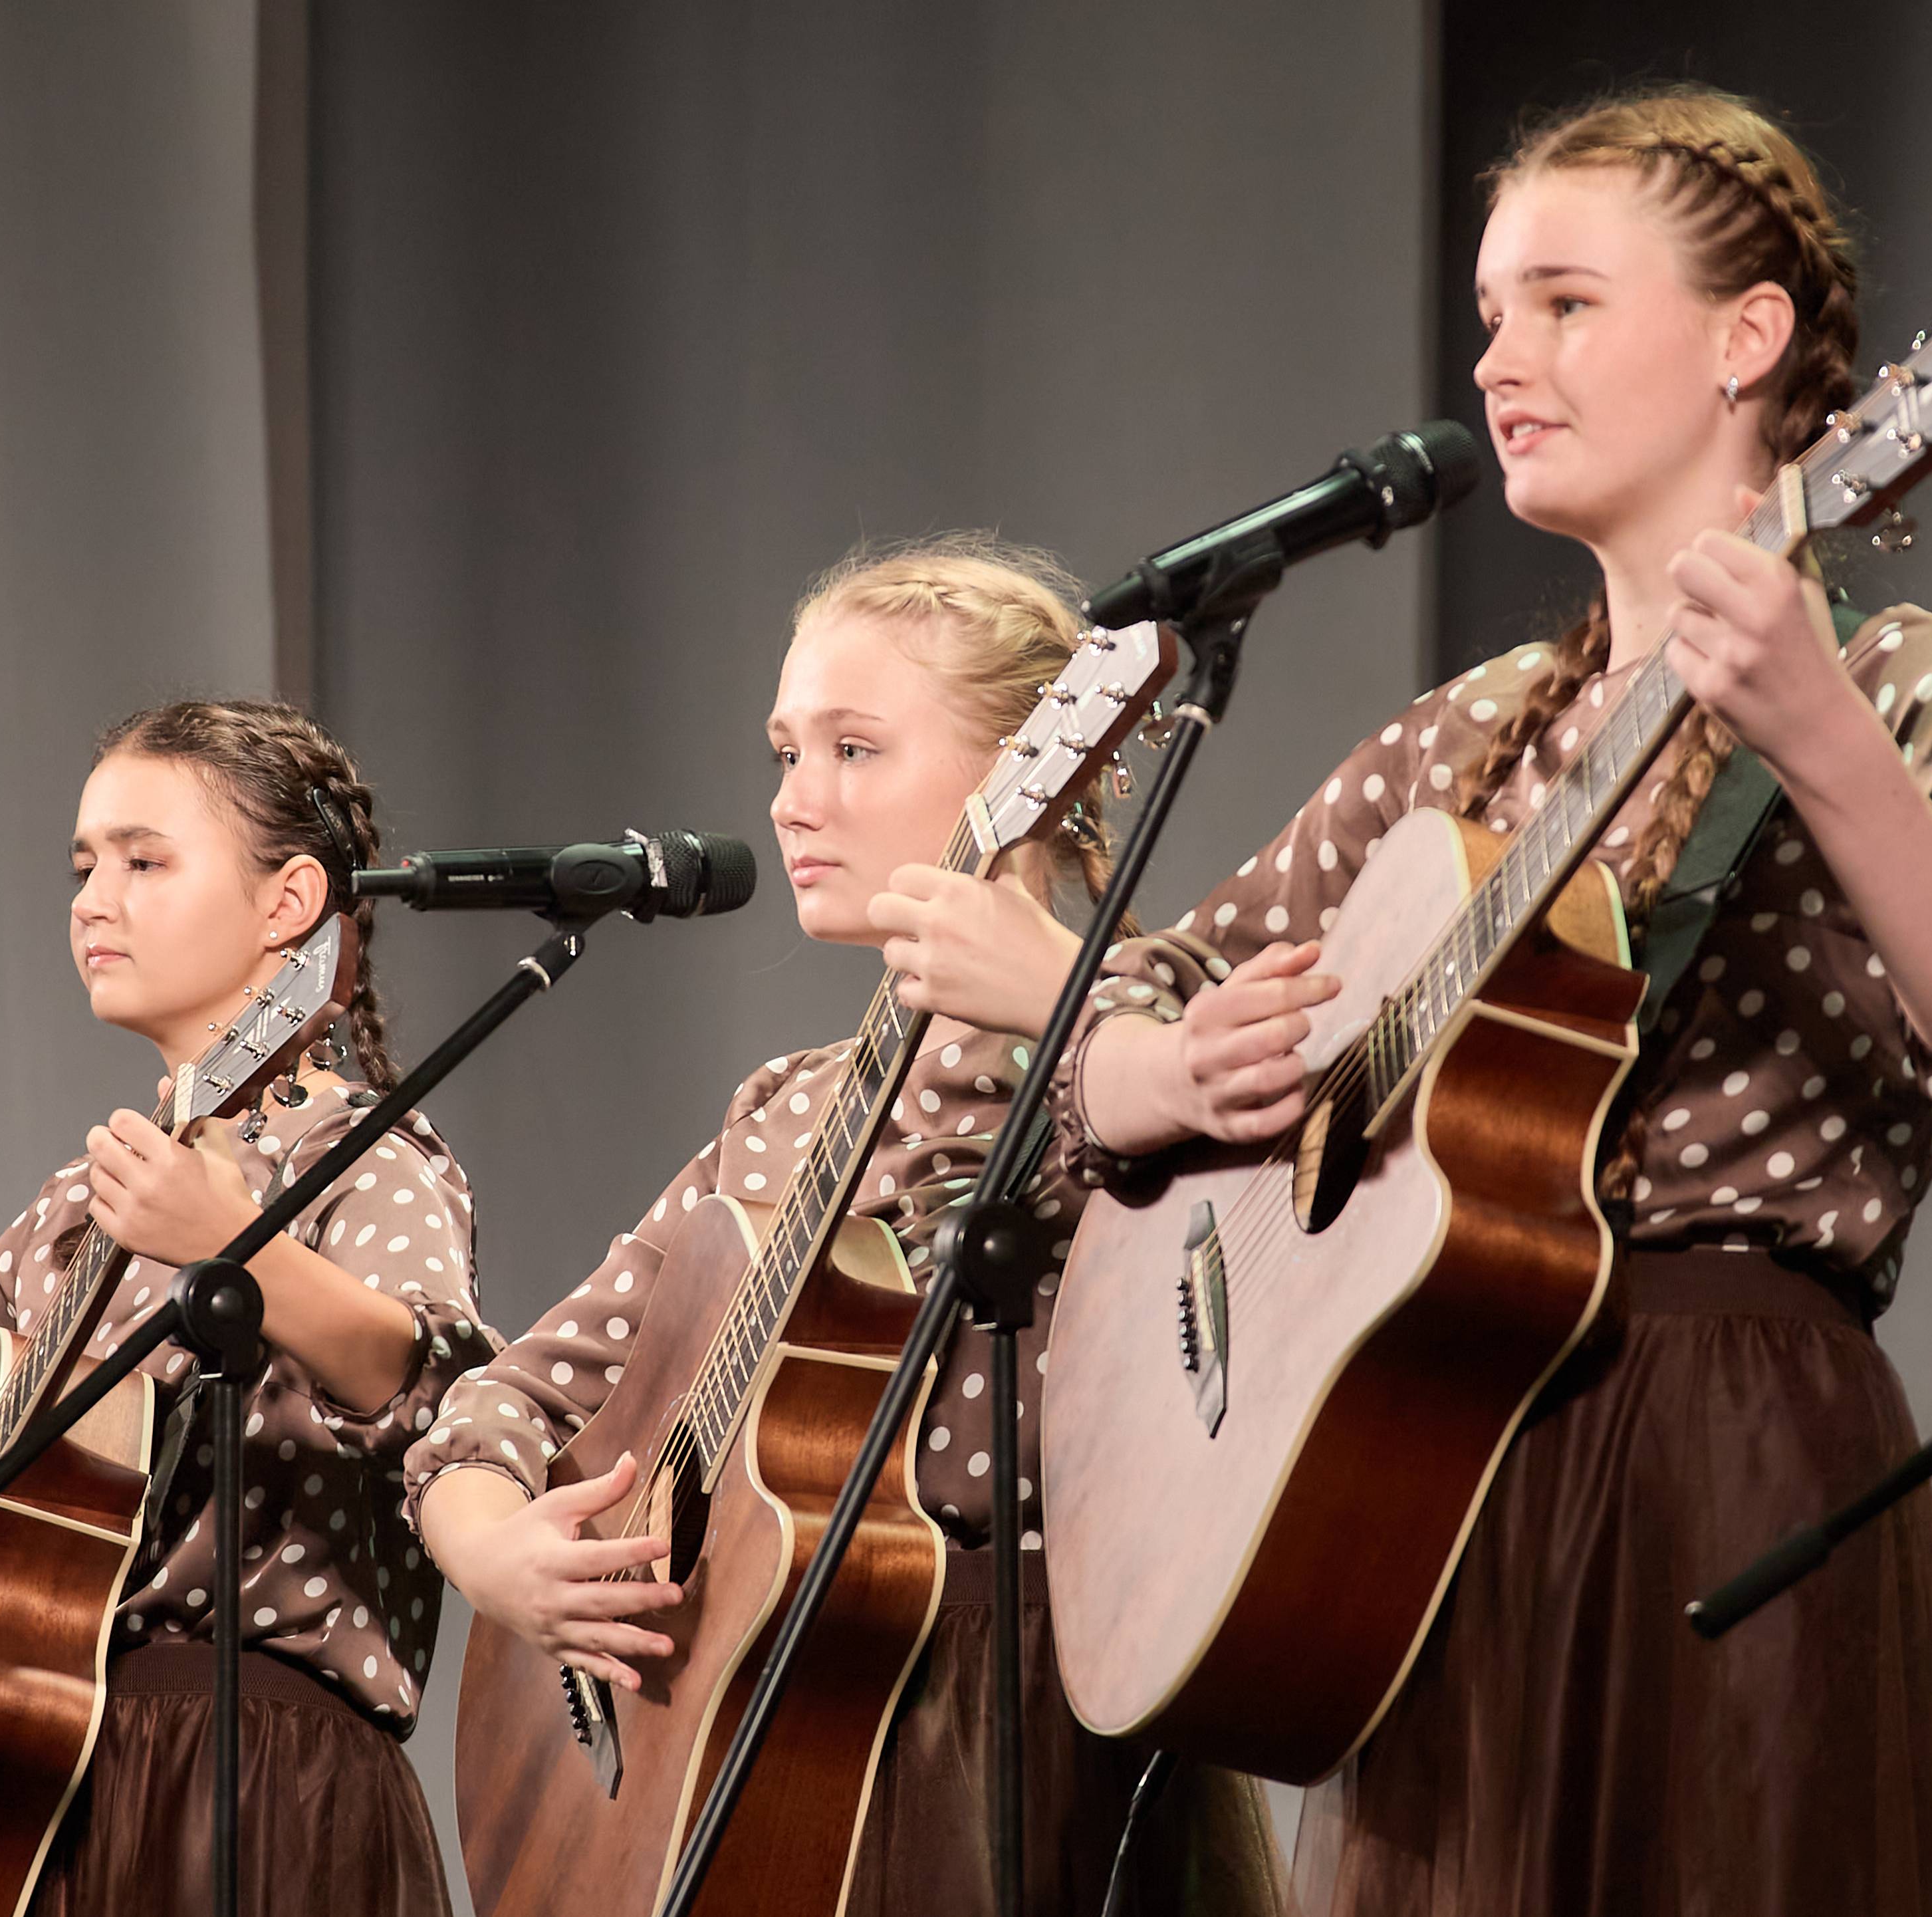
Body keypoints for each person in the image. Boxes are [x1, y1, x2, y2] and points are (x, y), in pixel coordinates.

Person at [1052, 84, 1932, 1917]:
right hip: (1431, 1469)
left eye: (1560, 302)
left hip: (1730, 1446)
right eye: (1486, 314)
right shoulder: (1461, 740)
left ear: (1746, 339)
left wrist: (1822, 742)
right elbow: (1130, 998)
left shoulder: (1904, 675)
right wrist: (1153, 1064)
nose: (1497, 358)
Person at [408, 537, 1284, 1917]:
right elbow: (517, 1386)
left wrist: (1066, 1001)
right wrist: (497, 1551)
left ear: (1030, 770)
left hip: (1007, 1716)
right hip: (757, 1732)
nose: (794, 800)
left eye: (854, 750)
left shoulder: (1146, 1011)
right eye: (784, 750)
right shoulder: (785, 1108)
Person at [0, 699, 481, 1917]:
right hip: (39, 1774)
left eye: (144, 862)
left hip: (248, 1774)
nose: (92, 899)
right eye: (85, 866)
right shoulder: (77, 1210)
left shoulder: (369, 1158)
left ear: (288, 903)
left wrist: (236, 1250)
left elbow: (439, 1387)